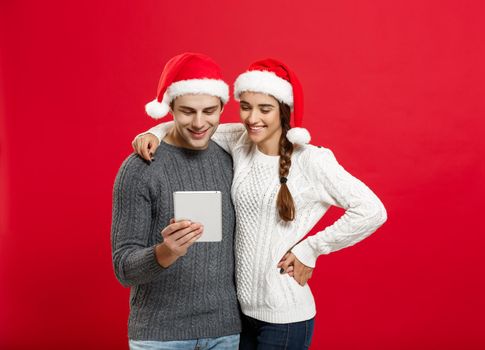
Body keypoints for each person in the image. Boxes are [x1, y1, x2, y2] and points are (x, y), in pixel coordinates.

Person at [133, 58, 387, 349]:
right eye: (246, 106)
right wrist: (152, 133)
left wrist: (311, 249)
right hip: (240, 315)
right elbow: (193, 125)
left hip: (285, 317)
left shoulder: (312, 160)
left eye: (264, 109)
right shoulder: (240, 141)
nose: (252, 118)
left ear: (284, 111)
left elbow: (372, 210)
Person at [111, 52, 242, 350]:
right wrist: (165, 252)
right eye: (187, 111)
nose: (199, 122)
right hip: (159, 334)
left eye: (209, 111)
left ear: (222, 107)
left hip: (225, 330)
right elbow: (123, 267)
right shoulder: (141, 166)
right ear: (170, 107)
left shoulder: (232, 160)